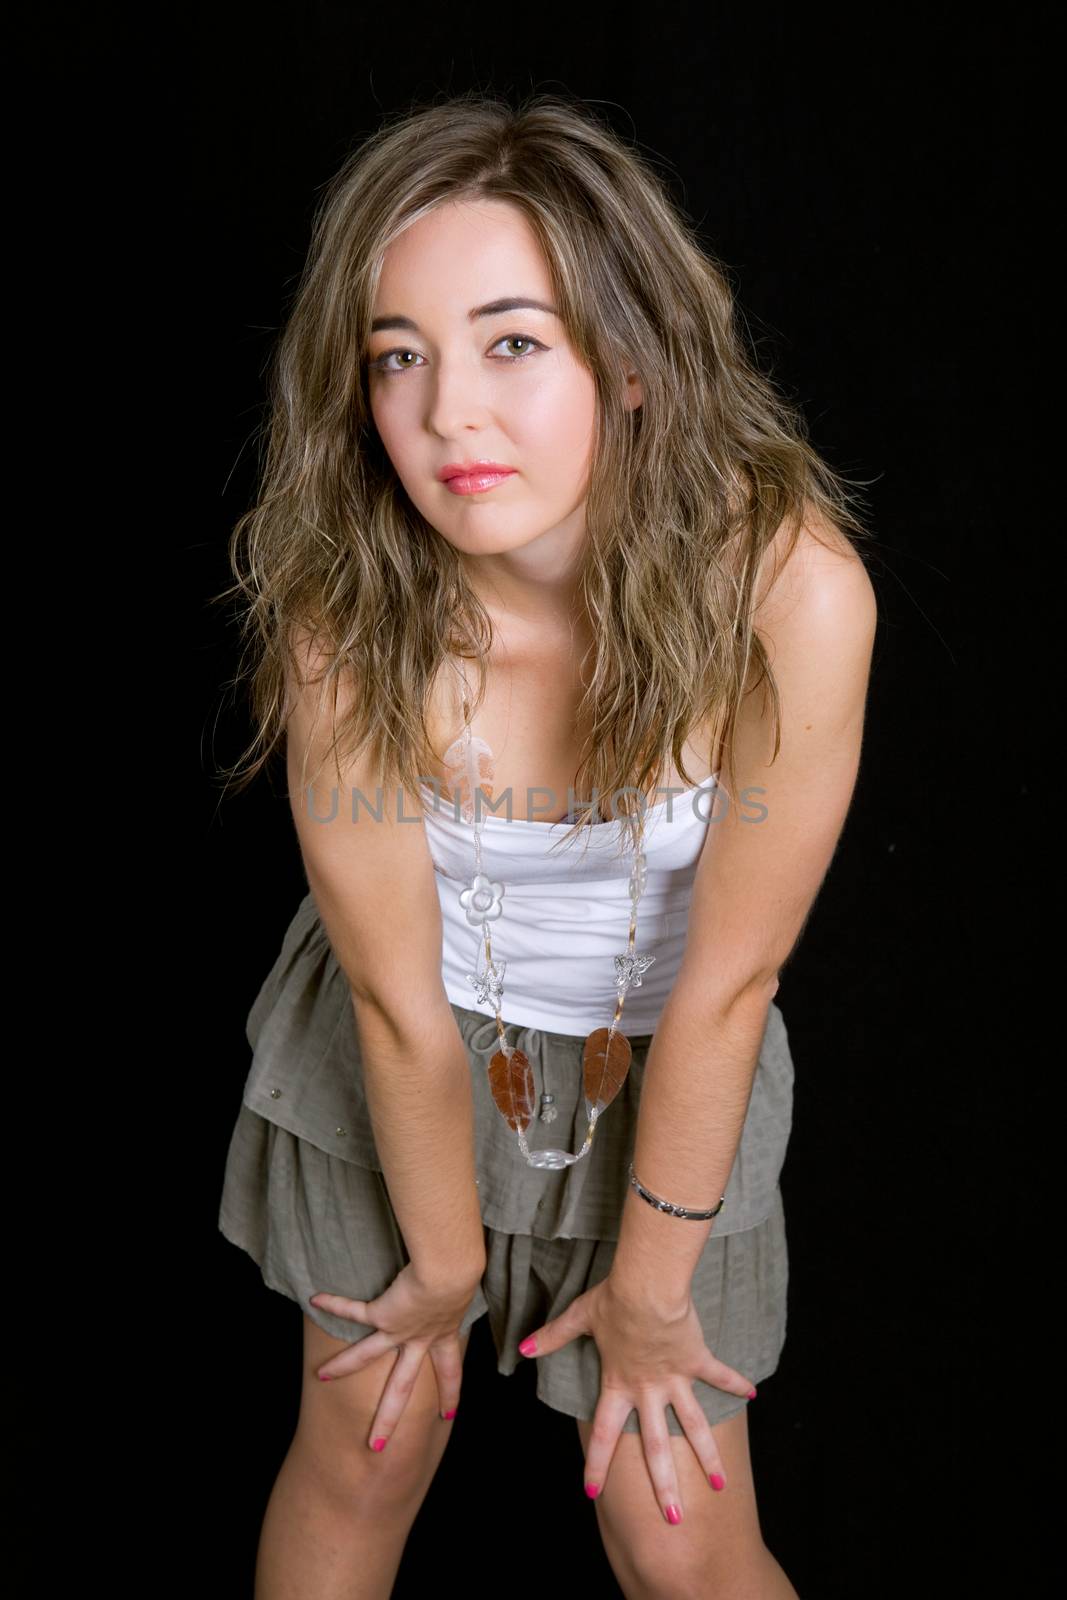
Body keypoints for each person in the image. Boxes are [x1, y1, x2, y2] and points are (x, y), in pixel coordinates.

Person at [214, 90, 877, 1600]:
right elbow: (391, 997)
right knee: (365, 1449)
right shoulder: (347, 619)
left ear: (630, 359)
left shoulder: (791, 592)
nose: (450, 413)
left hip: (671, 1068)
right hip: (400, 1059)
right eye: (400, 357)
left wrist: (650, 1291)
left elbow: (732, 978)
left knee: (677, 1523)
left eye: (514, 341)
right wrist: (440, 1273)